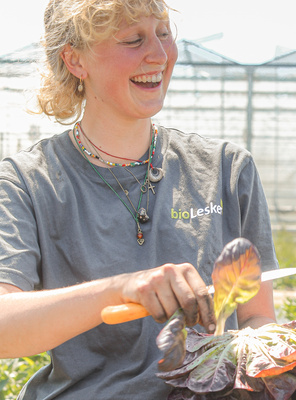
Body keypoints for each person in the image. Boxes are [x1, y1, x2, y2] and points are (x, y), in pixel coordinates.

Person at [0, 0, 278, 398]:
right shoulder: (27, 181)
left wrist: (268, 355)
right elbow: (4, 328)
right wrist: (122, 289)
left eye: (164, 34)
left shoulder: (226, 170)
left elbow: (256, 316)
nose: (160, 55)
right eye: (133, 39)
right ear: (75, 60)